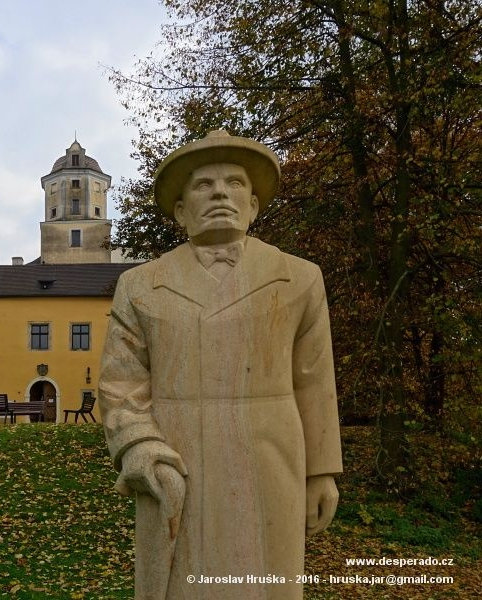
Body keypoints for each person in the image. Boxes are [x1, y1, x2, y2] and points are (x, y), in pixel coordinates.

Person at [99, 131, 343, 600]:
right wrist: (138, 446)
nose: (219, 192)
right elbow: (121, 382)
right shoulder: (139, 285)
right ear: (180, 212)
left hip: (271, 455)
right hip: (176, 454)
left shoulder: (300, 278)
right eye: (203, 184)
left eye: (234, 182)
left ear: (252, 206)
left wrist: (321, 472)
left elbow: (315, 380)